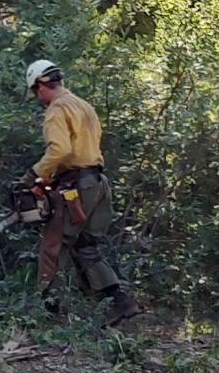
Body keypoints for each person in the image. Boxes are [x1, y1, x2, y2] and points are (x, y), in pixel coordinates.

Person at [25, 59, 142, 327]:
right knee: (85, 246)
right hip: (98, 184)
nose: (37, 97)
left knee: (53, 246)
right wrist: (49, 180)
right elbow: (80, 152)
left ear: (41, 86)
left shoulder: (57, 109)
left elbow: (60, 150)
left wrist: (33, 175)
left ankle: (47, 311)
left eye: (35, 91)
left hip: (77, 188)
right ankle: (120, 302)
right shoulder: (83, 105)